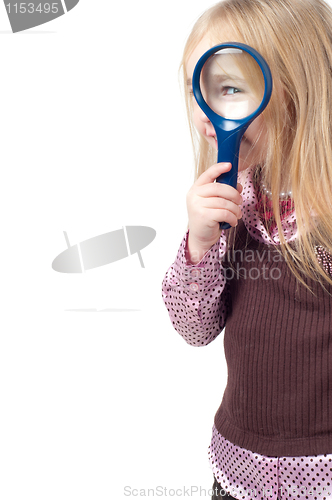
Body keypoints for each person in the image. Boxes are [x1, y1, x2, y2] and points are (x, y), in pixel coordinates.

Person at [161, 1, 332, 499]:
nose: (206, 116)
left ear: (300, 93)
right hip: (239, 468)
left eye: (230, 89)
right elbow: (194, 329)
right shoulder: (235, 205)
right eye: (201, 92)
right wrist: (200, 243)